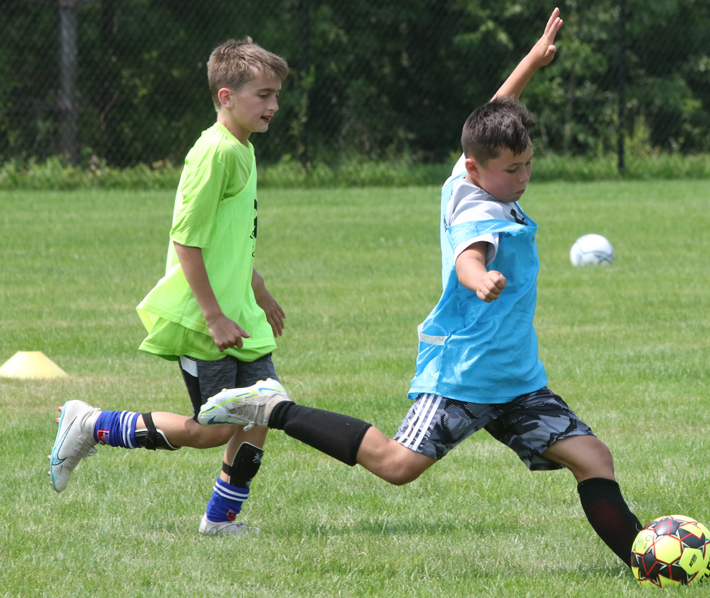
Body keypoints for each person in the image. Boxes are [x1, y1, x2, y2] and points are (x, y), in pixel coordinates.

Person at [198, 8, 645, 566]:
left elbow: (491, 116)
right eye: (512, 170)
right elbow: (468, 258)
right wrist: (479, 279)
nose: (523, 177)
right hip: (461, 375)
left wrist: (531, 60)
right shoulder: (479, 210)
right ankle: (272, 408)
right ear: (478, 171)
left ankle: (645, 559)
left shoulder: (467, 173)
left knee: (593, 457)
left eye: (528, 164)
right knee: (396, 467)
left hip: (516, 380)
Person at [48, 38, 289, 537]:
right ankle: (93, 424)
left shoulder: (241, 148)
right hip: (205, 318)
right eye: (263, 95)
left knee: (260, 412)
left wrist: (258, 289)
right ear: (226, 96)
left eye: (276, 94)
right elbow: (186, 241)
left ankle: (220, 522)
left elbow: (229, 241)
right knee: (216, 427)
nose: (274, 105)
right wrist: (214, 314)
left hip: (238, 310)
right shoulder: (215, 154)